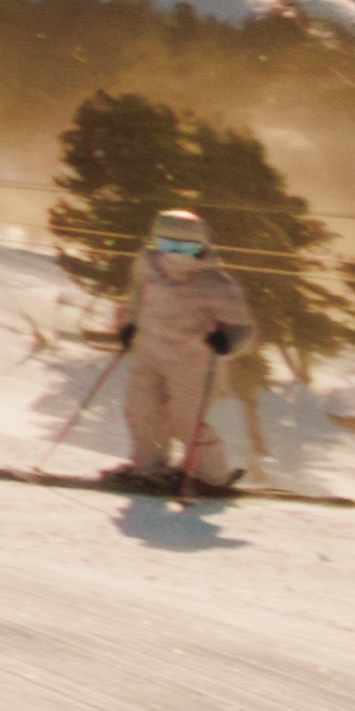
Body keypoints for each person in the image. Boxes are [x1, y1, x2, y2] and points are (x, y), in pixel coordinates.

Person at [101, 201, 258, 497]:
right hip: (150, 353)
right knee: (141, 409)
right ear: (155, 242)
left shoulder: (215, 283)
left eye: (184, 249)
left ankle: (211, 477)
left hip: (193, 363)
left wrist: (228, 341)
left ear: (201, 247)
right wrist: (129, 326)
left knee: (186, 421)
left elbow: (243, 328)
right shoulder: (148, 266)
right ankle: (149, 468)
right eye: (167, 244)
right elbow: (137, 300)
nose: (174, 256)